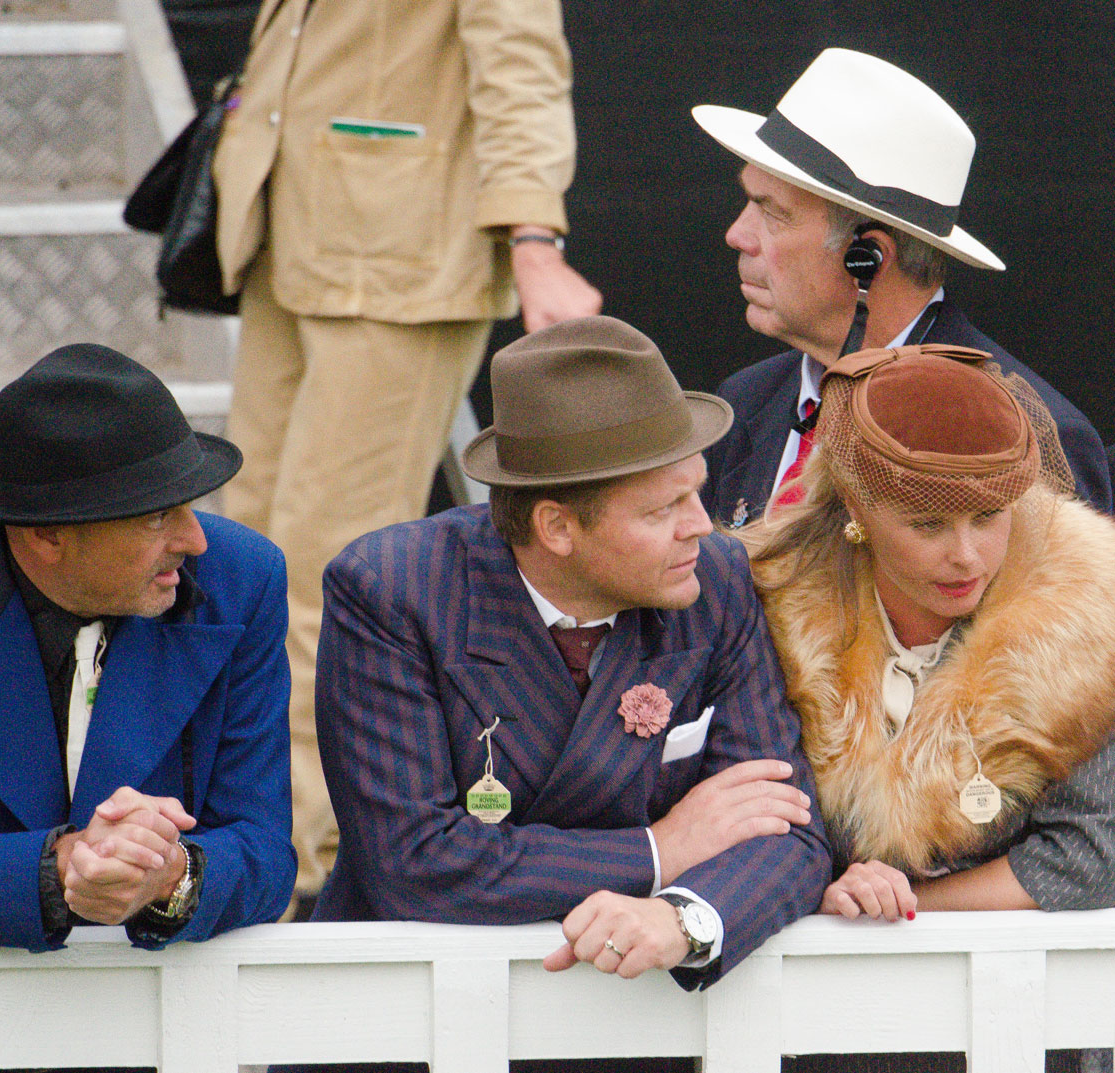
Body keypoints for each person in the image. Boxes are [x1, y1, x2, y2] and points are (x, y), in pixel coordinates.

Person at [312, 315, 829, 1006]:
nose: (701, 524)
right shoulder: (391, 589)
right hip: (421, 1015)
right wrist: (657, 851)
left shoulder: (719, 578)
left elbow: (787, 826)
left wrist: (683, 915)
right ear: (555, 526)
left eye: (697, 490)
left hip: (639, 1013)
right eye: (663, 508)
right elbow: (414, 861)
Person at [212, 0, 603, 909]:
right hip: (290, 234)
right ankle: (254, 822)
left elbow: (522, 70)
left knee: (320, 577)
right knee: (243, 558)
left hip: (405, 261)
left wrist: (535, 242)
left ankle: (289, 862)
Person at [736, 343, 1115, 1073]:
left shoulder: (1085, 617)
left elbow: (1092, 858)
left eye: (988, 517)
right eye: (929, 524)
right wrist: (820, 883)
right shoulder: (766, 604)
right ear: (856, 509)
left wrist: (904, 901)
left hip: (1023, 1032)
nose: (967, 556)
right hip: (811, 1030)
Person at [691, 48, 1111, 527]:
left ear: (868, 259)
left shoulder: (1031, 437)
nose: (736, 235)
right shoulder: (747, 400)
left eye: (772, 213)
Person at [0, 343, 294, 952]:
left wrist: (173, 872)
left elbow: (265, 850)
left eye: (191, 504)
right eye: (158, 516)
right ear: (46, 534)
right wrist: (51, 871)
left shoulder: (243, 578)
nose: (196, 539)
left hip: (163, 1017)